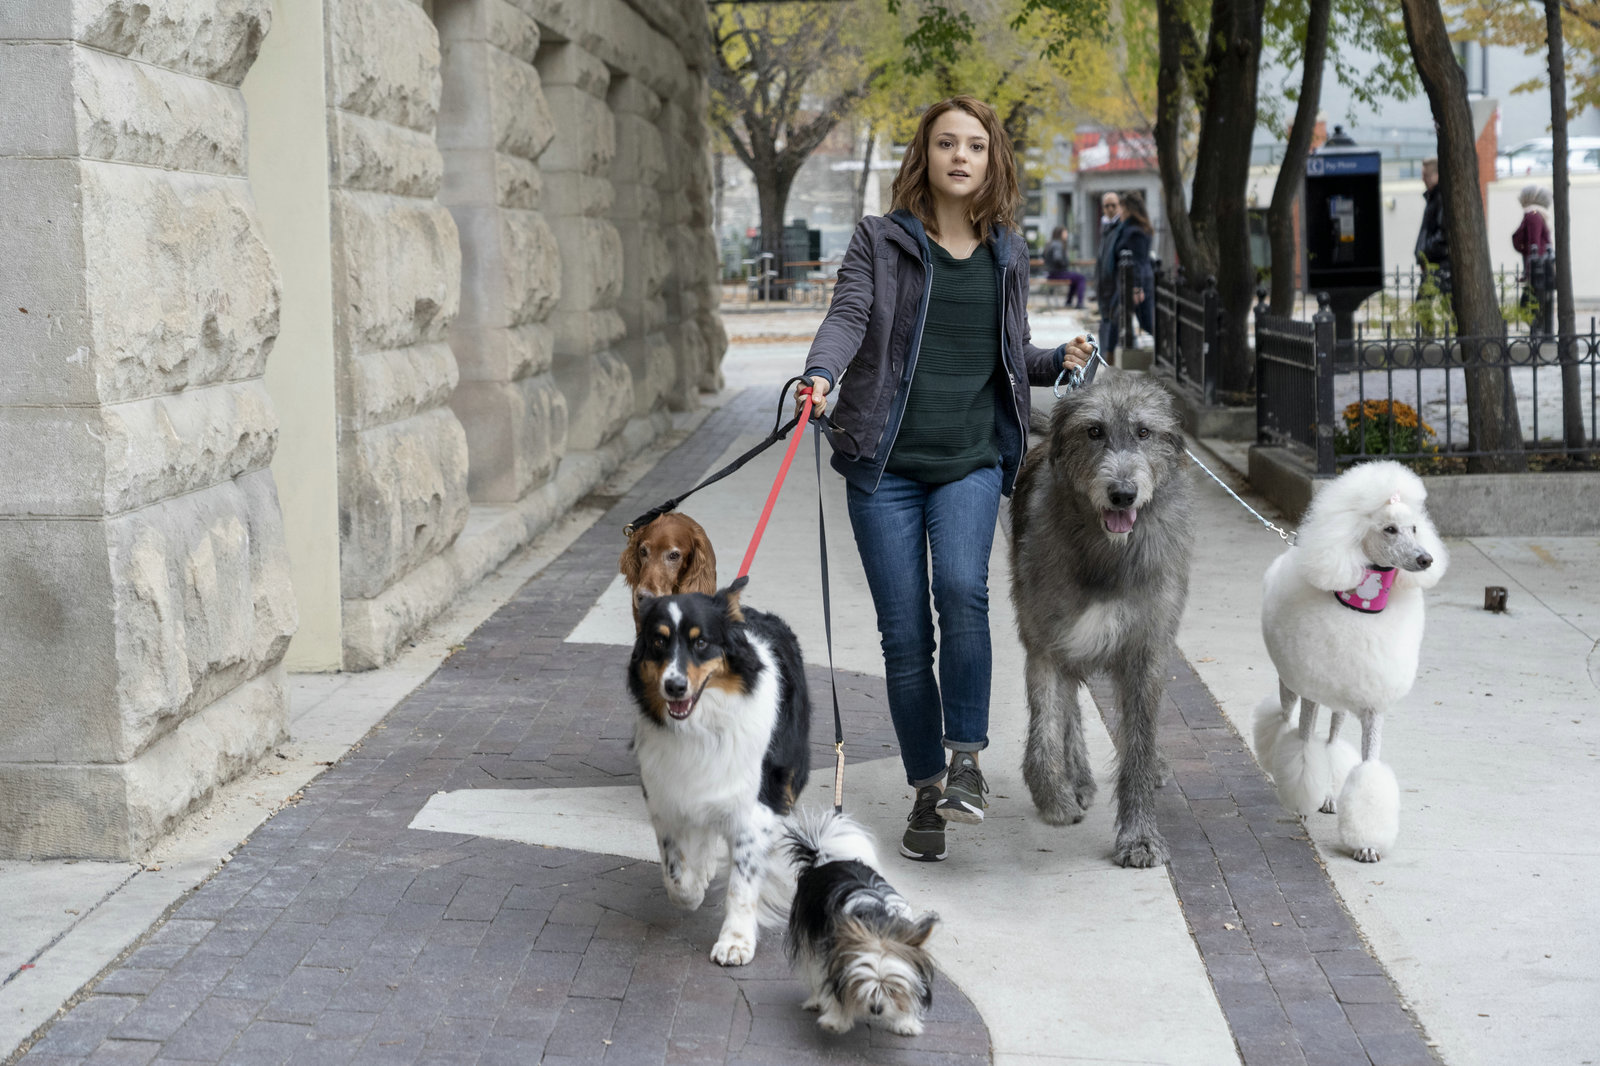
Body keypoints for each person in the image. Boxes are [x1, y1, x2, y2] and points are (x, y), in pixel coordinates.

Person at [798, 96, 1094, 863]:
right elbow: (849, 317)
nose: (960, 156)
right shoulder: (880, 241)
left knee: (963, 589)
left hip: (969, 458)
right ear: (923, 157)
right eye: (945, 144)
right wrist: (821, 375)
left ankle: (966, 761)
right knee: (904, 639)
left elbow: (1009, 352)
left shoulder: (1008, 252)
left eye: (974, 145)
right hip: (884, 465)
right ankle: (926, 788)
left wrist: (1052, 360)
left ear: (992, 159)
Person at [1097, 189, 1154, 356]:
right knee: (1118, 319)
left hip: (1134, 283)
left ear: (1128, 209)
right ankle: (1110, 357)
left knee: (1145, 322)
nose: (1117, 211)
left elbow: (1137, 262)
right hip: (1124, 282)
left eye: (1119, 207)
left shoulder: (1134, 231)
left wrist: (1136, 286)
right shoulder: (1126, 229)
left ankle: (1111, 357)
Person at [1511, 183, 1552, 316]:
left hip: (1537, 270)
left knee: (1529, 307)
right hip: (1538, 268)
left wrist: (1530, 270)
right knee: (1533, 307)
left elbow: (1534, 245)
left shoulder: (1532, 215)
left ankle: (1537, 333)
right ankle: (1537, 332)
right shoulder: (1538, 214)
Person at [1415, 157, 1449, 290]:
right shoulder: (1433, 198)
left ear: (1436, 175)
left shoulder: (1439, 198)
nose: (1423, 179)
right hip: (1433, 262)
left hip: (1437, 263)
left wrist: (1425, 250)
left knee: (1423, 306)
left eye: (1426, 175)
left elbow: (1443, 232)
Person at [1043, 225, 1086, 308]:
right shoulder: (1058, 244)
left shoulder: (1050, 243)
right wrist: (1066, 262)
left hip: (1051, 273)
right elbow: (1057, 259)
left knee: (1075, 278)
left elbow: (1044, 256)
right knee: (1081, 278)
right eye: (1065, 233)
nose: (1067, 235)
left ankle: (1069, 302)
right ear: (1060, 234)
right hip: (1057, 273)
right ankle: (1080, 303)